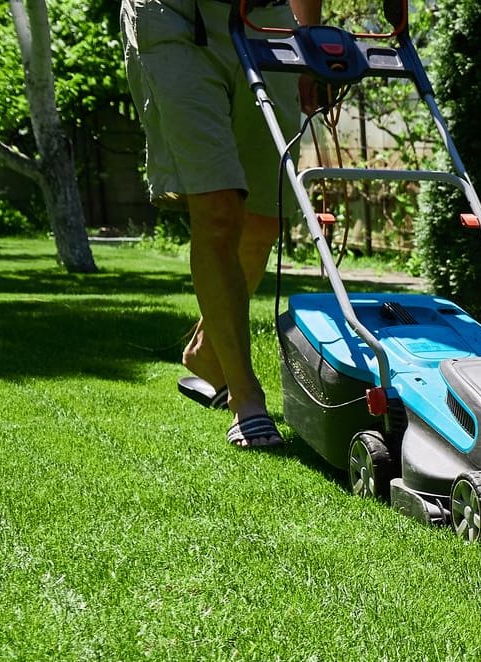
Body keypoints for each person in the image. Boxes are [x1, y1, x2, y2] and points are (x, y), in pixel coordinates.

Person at [120, 0, 322, 448]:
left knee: (264, 220)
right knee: (217, 210)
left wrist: (307, 37)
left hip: (265, 18)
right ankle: (245, 397)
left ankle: (209, 352)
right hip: (175, 17)